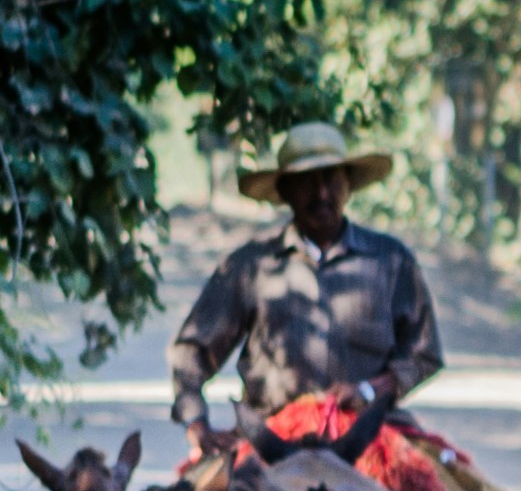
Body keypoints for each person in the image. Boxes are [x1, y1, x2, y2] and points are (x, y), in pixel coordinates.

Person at [168, 121, 440, 434]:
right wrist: (197, 422)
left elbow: (424, 353)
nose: (321, 192)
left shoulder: (391, 261)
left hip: (370, 433)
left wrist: (371, 389)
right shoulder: (252, 265)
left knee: (447, 482)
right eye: (307, 182)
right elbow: (191, 351)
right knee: (200, 485)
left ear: (349, 184)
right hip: (272, 437)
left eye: (331, 179)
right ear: (286, 191)